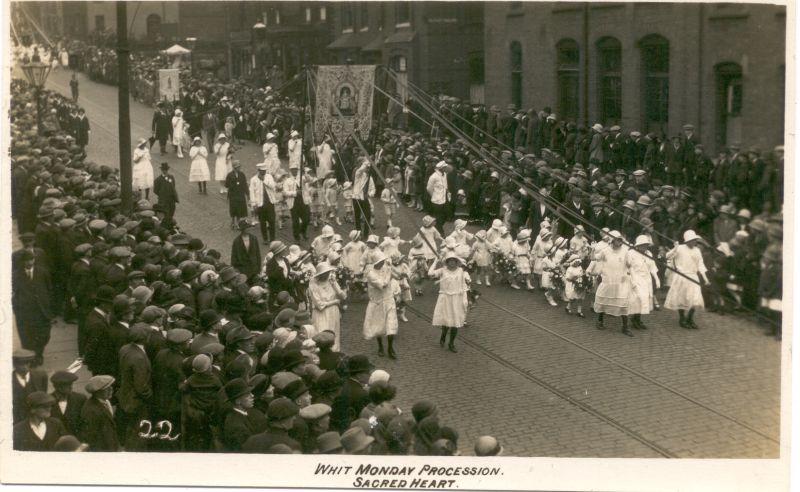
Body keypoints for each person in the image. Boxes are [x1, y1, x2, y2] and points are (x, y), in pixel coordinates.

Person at [12, 249, 54, 366]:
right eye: (27, 260)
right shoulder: (16, 276)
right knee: (27, 336)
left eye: (32, 259)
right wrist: (17, 309)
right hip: (25, 313)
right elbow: (13, 294)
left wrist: (49, 308)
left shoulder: (43, 272)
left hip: (41, 311)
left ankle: (38, 353)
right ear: (23, 262)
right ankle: (33, 357)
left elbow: (49, 289)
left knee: (44, 335)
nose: (30, 262)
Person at [665, 230, 709, 329]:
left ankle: (690, 318)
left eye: (695, 240)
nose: (695, 242)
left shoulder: (697, 250)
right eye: (692, 240)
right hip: (682, 276)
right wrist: (675, 248)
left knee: (695, 300)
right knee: (682, 299)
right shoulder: (680, 248)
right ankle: (682, 319)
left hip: (693, 277)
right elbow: (667, 256)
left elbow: (701, 265)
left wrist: (706, 279)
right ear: (687, 241)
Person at [593, 230, 633, 336]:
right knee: (604, 301)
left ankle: (625, 327)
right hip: (608, 281)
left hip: (621, 282)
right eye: (617, 240)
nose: (619, 242)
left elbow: (630, 264)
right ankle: (600, 321)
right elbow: (595, 258)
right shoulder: (605, 251)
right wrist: (592, 250)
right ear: (612, 241)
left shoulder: (626, 251)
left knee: (623, 304)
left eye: (620, 240)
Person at [428, 253, 470, 353]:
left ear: (456, 262)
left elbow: (464, 287)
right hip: (445, 298)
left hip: (456, 299)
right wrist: (435, 261)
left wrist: (465, 299)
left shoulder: (461, 271)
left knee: (455, 322)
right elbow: (430, 274)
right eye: (449, 260)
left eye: (454, 260)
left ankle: (451, 343)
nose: (452, 262)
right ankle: (443, 335)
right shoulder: (442, 270)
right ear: (447, 262)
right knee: (446, 320)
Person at [363, 252, 399, 359]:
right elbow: (382, 285)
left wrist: (391, 267)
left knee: (391, 324)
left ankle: (390, 348)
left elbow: (398, 275)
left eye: (383, 260)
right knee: (378, 326)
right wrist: (389, 273)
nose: (383, 262)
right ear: (376, 262)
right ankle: (380, 346)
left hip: (389, 300)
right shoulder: (370, 273)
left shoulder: (386, 268)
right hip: (377, 302)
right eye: (380, 261)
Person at [308, 262, 347, 350]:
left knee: (333, 333)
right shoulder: (313, 284)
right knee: (321, 332)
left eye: (328, 272)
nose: (327, 275)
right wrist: (335, 302)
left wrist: (334, 285)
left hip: (333, 312)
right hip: (320, 313)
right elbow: (319, 304)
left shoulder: (332, 281)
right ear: (319, 274)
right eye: (324, 273)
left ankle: (333, 354)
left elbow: (343, 296)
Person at [625, 235, 661, 329]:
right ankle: (634, 318)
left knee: (644, 299)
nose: (644, 247)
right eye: (642, 245)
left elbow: (653, 267)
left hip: (646, 279)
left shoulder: (648, 253)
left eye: (646, 245)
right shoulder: (631, 253)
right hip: (636, 278)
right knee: (638, 299)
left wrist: (656, 279)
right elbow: (629, 268)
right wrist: (632, 281)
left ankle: (638, 319)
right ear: (638, 245)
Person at [80, 375, 120, 452]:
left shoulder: (106, 402)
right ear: (97, 392)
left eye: (111, 387)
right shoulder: (91, 410)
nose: (111, 389)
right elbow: (92, 438)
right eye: (107, 388)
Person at [12, 349, 49, 423]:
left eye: (27, 363)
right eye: (21, 364)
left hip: (37, 418)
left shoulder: (41, 376)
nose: (25, 367)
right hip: (18, 419)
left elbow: (43, 395)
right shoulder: (8, 380)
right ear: (14, 364)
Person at [49, 371, 87, 436]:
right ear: (58, 387)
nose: (71, 387)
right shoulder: (48, 401)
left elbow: (85, 422)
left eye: (71, 384)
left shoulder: (80, 399)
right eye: (68, 385)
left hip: (77, 439)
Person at [250, 162, 279, 244]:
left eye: (265, 171)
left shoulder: (269, 177)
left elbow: (273, 186)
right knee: (262, 222)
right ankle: (265, 239)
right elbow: (252, 192)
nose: (264, 172)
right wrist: (254, 204)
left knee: (272, 221)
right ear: (258, 170)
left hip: (270, 202)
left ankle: (272, 238)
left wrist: (264, 180)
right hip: (260, 204)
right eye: (262, 171)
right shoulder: (253, 179)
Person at [426, 161, 450, 234]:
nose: (446, 168)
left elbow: (445, 185)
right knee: (438, 217)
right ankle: (440, 232)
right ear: (441, 168)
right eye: (445, 167)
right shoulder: (433, 176)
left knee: (445, 215)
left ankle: (436, 228)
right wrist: (434, 196)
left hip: (444, 199)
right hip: (436, 200)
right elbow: (429, 188)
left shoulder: (445, 174)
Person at [225, 160, 250, 229]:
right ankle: (233, 221)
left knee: (240, 209)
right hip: (233, 195)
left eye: (239, 167)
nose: (238, 168)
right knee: (234, 208)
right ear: (234, 167)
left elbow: (245, 185)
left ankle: (238, 222)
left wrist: (248, 194)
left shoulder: (242, 174)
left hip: (240, 194)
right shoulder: (230, 175)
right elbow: (226, 185)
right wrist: (232, 184)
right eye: (237, 167)